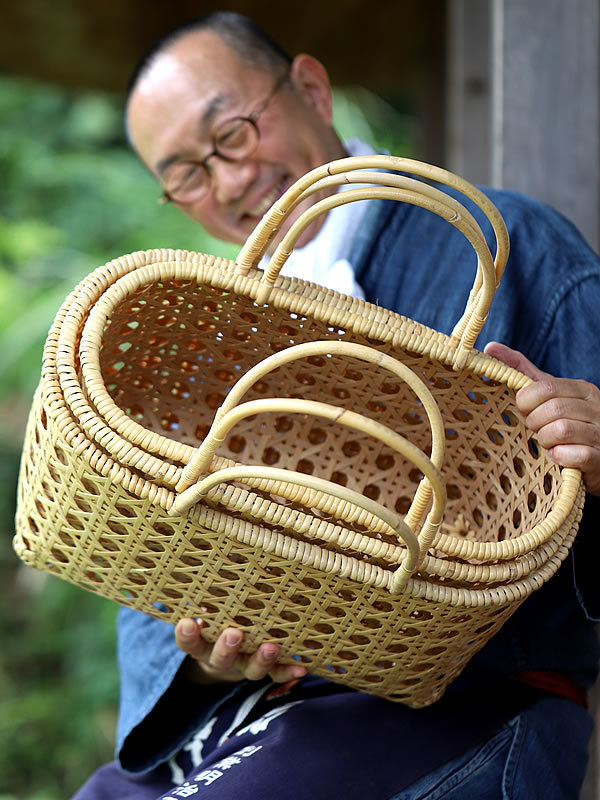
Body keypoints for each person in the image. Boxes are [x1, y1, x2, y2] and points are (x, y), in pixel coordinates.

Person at [73, 12, 600, 800]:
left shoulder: (516, 248)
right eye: (185, 172)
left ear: (312, 90)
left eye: (234, 134)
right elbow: (159, 569)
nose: (226, 181)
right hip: (255, 719)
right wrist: (206, 658)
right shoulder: (205, 339)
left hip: (462, 709)